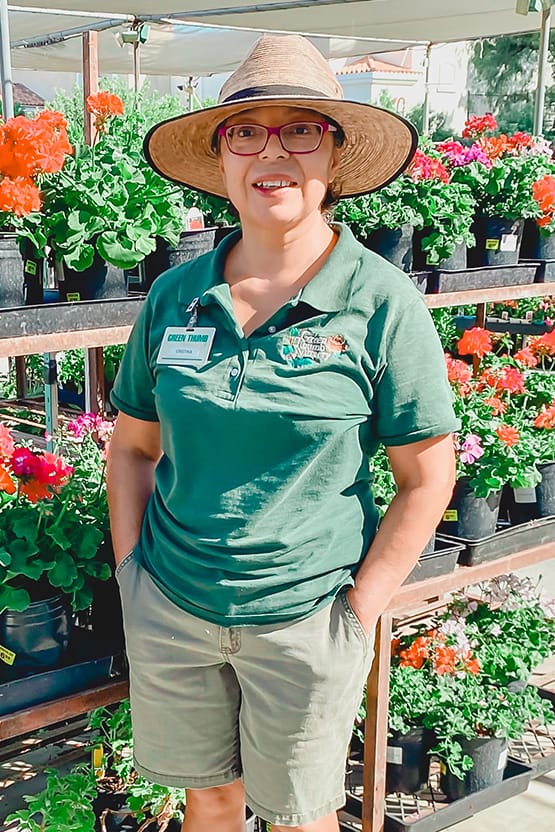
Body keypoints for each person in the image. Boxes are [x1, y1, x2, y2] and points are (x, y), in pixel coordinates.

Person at [107, 34, 458, 832]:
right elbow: (132, 445)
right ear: (222, 156)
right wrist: (132, 571)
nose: (272, 151)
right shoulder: (174, 296)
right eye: (246, 131)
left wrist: (358, 610)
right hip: (171, 602)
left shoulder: (378, 302)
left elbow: (425, 476)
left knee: (300, 815)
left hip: (306, 614)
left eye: (299, 129)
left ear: (332, 154)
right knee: (210, 799)